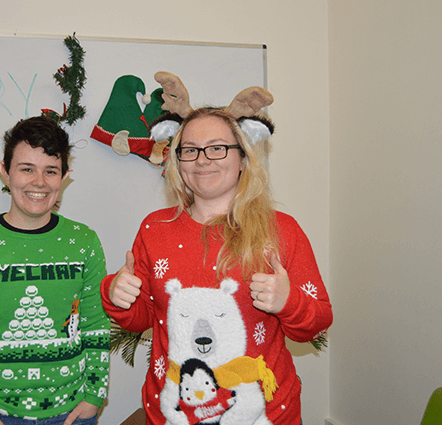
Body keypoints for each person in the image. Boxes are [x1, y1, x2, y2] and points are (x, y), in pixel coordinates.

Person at [101, 106, 333, 425]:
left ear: (242, 158)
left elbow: (317, 322)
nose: (202, 159)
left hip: (262, 414)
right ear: (177, 162)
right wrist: (117, 295)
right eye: (190, 150)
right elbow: (141, 319)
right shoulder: (155, 229)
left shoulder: (281, 230)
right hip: (174, 413)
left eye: (217, 148)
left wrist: (288, 302)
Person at [0, 115, 110, 425]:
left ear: (64, 176)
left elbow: (96, 325)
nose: (39, 182)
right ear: (5, 171)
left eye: (50, 171)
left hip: (71, 413)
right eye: (27, 169)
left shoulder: (84, 241)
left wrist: (95, 395)